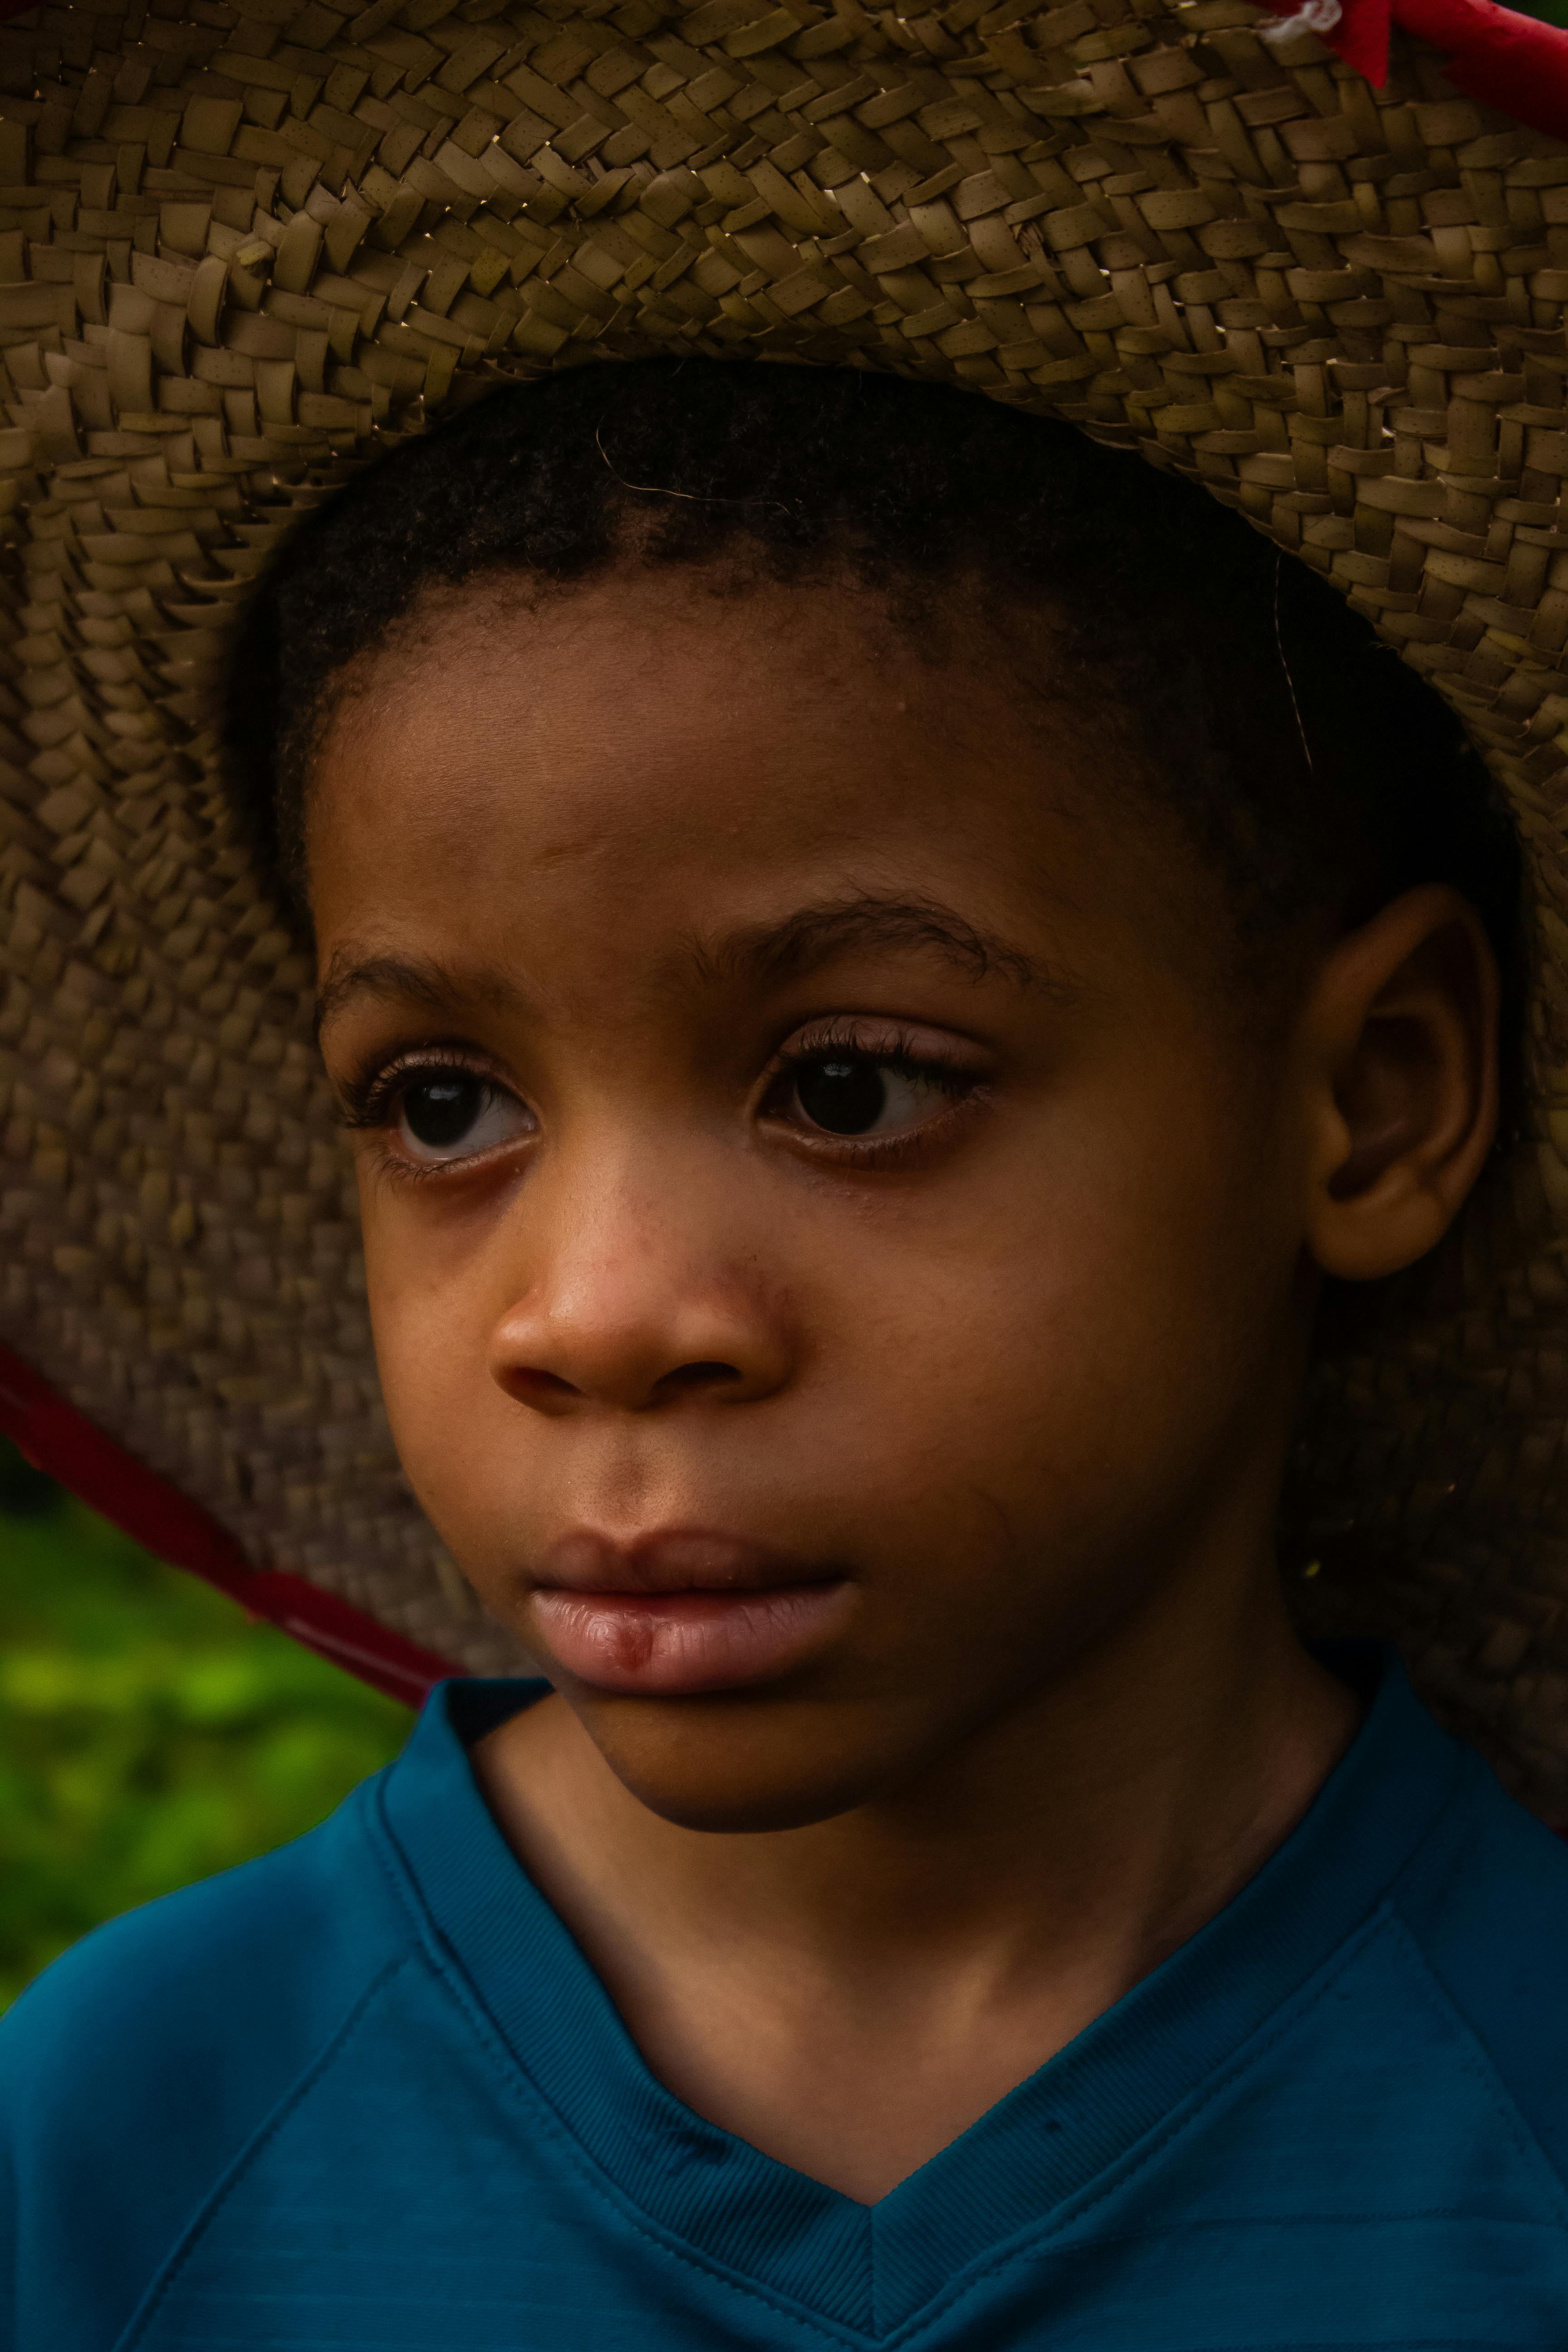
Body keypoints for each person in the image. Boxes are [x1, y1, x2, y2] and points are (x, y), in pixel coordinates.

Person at [5, 346, 1568, 2347]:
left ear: (1370, 1098)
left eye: (849, 1088)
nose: (596, 1315)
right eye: (443, 1106)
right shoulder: (129, 2149)